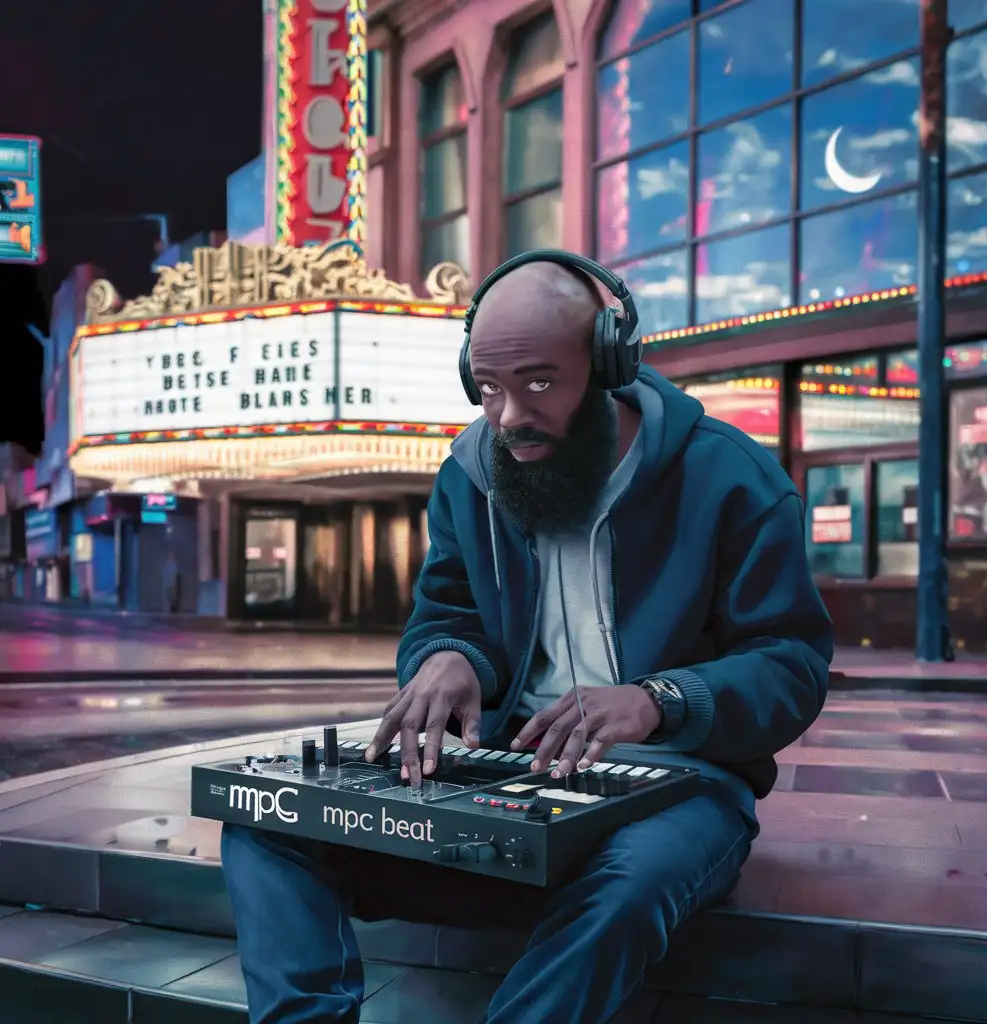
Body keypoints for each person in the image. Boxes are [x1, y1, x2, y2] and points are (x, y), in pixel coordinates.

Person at [221, 250, 834, 1024]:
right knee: (265, 821)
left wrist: (658, 701)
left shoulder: (734, 479)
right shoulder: (470, 475)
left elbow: (793, 664)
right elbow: (447, 615)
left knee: (629, 885)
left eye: (539, 382)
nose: (509, 414)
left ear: (611, 362)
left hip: (682, 787)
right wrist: (448, 658)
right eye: (489, 388)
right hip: (505, 771)